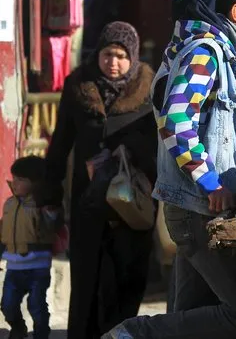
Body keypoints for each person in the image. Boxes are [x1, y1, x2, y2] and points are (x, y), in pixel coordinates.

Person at [103, 0, 236, 338]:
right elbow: (177, 121)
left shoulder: (221, 56)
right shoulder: (205, 54)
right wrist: (212, 182)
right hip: (199, 209)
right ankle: (133, 334)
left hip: (196, 208)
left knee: (191, 314)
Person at [45, 21, 158, 338]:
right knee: (86, 280)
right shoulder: (78, 86)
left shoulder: (149, 89)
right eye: (108, 54)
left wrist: (128, 151)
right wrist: (49, 195)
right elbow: (60, 143)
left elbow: (160, 142)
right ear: (98, 54)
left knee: (127, 277)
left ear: (132, 57)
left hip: (132, 202)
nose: (113, 62)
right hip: (89, 200)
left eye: (121, 55)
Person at [1, 156, 62, 339]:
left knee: (36, 305)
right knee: (8, 305)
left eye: (21, 179)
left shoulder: (43, 205)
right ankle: (18, 328)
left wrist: (50, 210)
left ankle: (41, 334)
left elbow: (53, 225)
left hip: (38, 267)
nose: (15, 183)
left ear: (35, 183)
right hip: (13, 267)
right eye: (15, 178)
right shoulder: (9, 204)